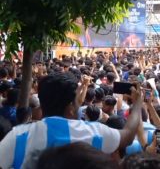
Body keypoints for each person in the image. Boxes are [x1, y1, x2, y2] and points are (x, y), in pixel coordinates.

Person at [0, 72, 143, 168]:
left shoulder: (18, 136)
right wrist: (137, 104)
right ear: (70, 107)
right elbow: (128, 135)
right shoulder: (94, 132)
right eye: (76, 101)